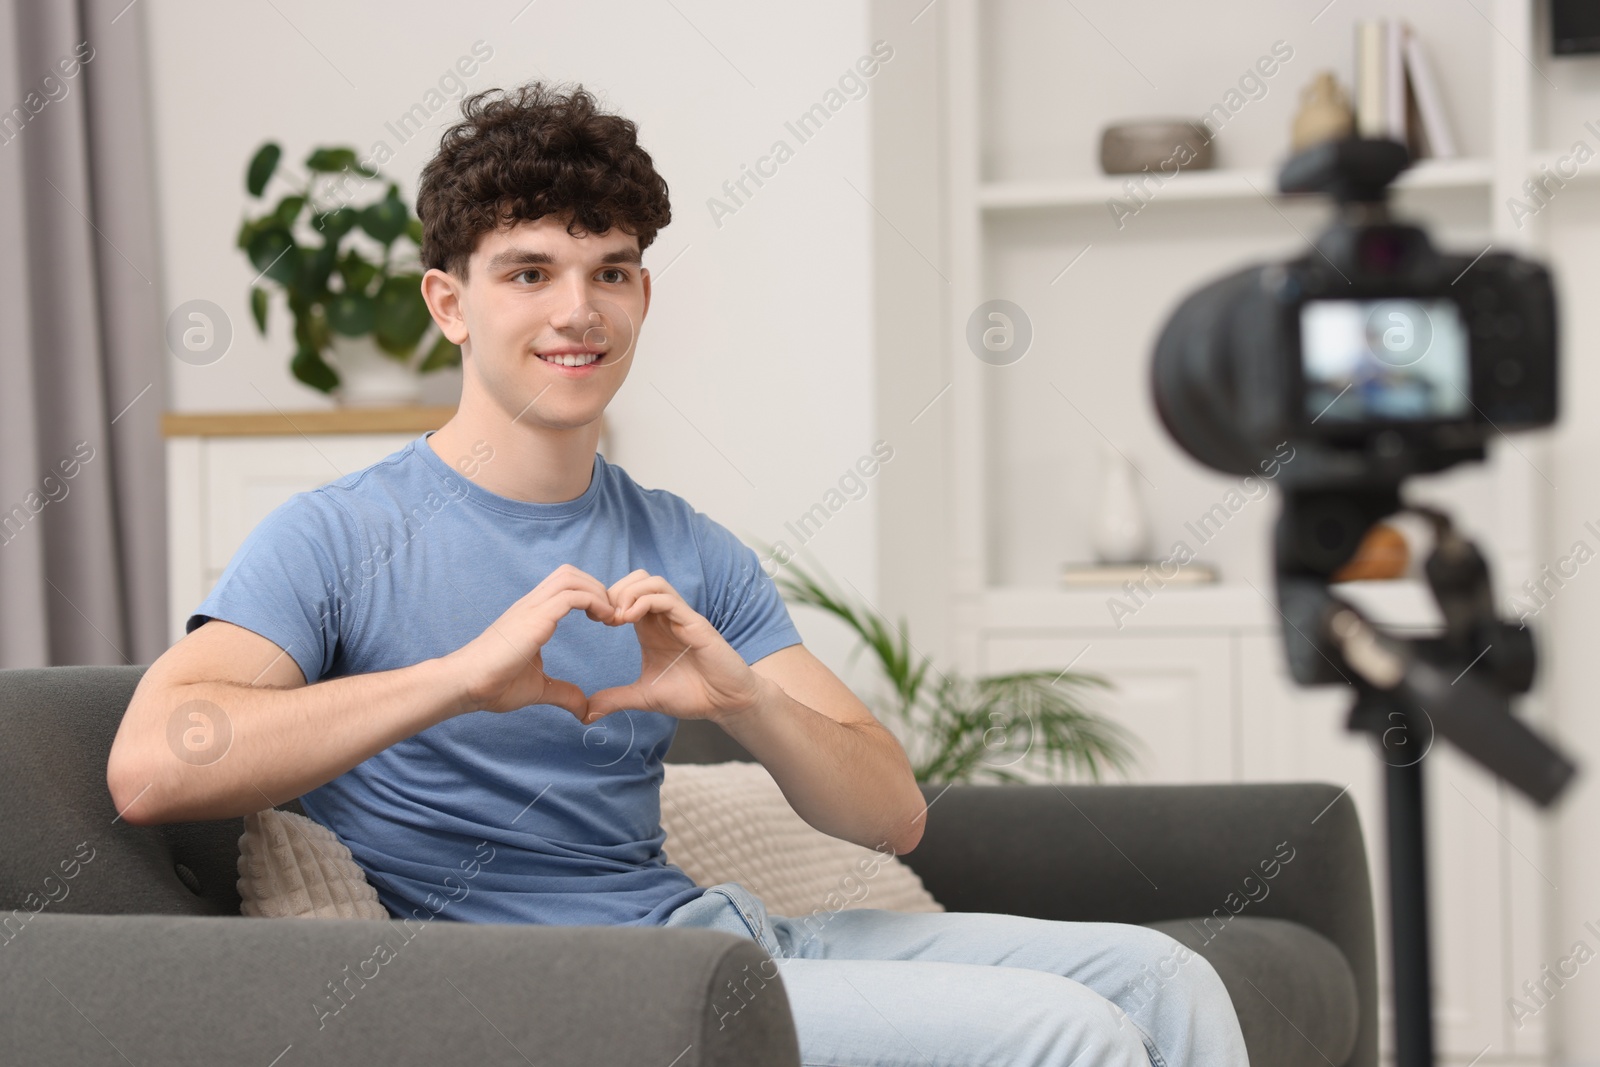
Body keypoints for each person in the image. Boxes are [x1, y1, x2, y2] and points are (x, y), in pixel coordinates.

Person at [108, 80, 1249, 1066]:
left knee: (1165, 977)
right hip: (572, 991)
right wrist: (459, 677)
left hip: (720, 938)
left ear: (642, 294)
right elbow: (152, 766)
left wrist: (743, 700)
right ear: (448, 303)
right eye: (528, 271)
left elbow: (891, 814)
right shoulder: (334, 535)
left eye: (611, 271)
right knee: (1057, 1029)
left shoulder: (686, 544)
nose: (577, 310)